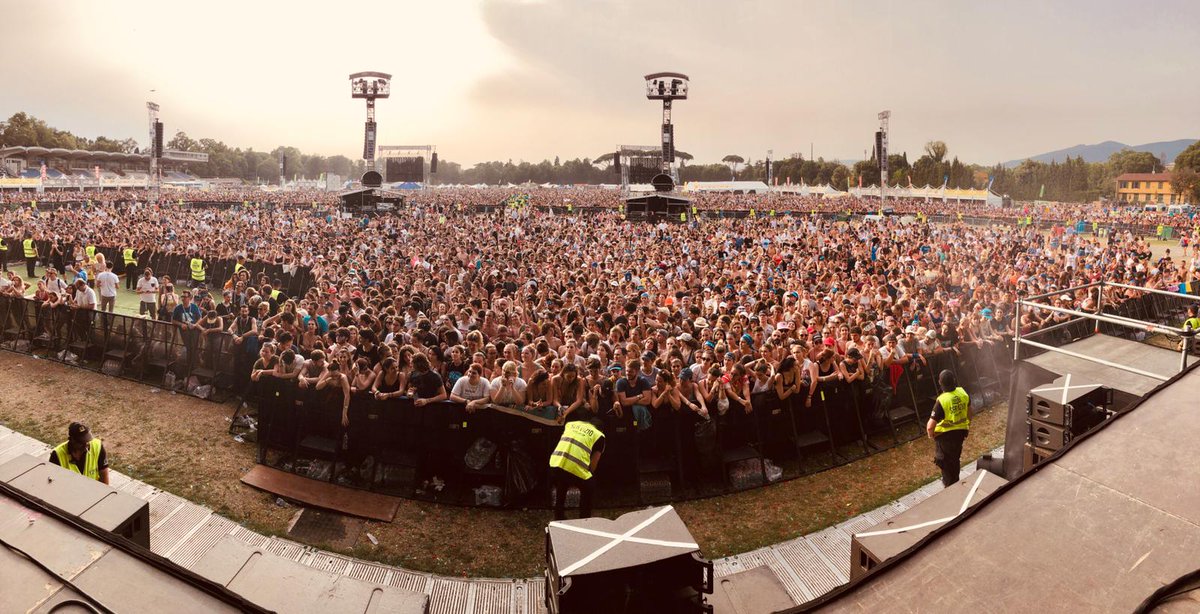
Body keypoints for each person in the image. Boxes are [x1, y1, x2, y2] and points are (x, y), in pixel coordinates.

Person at [549, 416, 605, 520]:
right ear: (600, 429)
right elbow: (593, 465)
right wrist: (588, 473)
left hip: (555, 463)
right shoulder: (599, 435)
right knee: (589, 486)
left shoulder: (571, 424)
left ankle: (559, 515)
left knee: (562, 481)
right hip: (574, 468)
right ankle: (584, 518)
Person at [926, 369, 970, 487]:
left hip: (945, 438)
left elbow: (930, 426)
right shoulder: (962, 393)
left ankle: (950, 490)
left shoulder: (942, 400)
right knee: (955, 460)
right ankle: (955, 482)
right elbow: (970, 411)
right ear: (954, 381)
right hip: (960, 434)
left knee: (946, 465)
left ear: (940, 383)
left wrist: (931, 435)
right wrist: (967, 425)